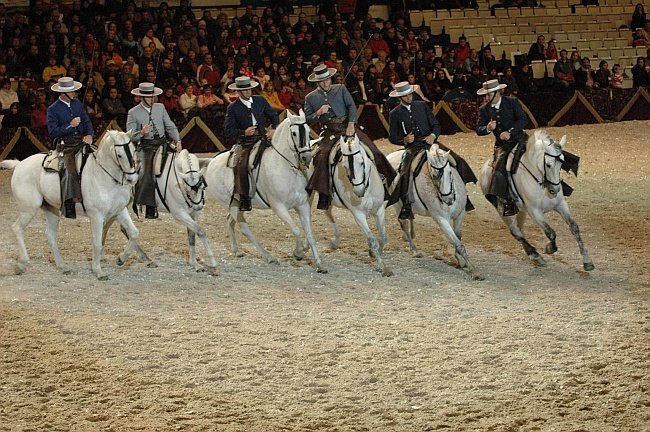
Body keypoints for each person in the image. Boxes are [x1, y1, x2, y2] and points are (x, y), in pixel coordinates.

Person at [303, 64, 397, 210]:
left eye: (327, 79)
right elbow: (308, 120)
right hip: (330, 131)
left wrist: (351, 124)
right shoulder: (310, 97)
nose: (325, 83)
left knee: (374, 151)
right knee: (322, 158)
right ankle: (324, 194)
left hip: (348, 126)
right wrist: (318, 113)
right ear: (317, 82)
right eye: (321, 81)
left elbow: (351, 106)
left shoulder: (340, 88)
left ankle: (385, 183)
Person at [388, 82, 477, 220]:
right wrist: (404, 140)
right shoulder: (395, 113)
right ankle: (406, 204)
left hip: (430, 142)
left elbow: (436, 125)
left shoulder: (422, 106)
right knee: (405, 173)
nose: (409, 97)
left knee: (456, 160)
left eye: (410, 94)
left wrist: (433, 136)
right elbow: (392, 137)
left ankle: (465, 196)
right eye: (405, 96)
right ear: (400, 97)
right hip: (413, 148)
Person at [126, 82, 182, 219]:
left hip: (163, 143)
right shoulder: (133, 113)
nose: (152, 99)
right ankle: (150, 206)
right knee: (146, 172)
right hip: (146, 147)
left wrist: (178, 140)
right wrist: (142, 132)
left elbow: (169, 125)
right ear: (141, 98)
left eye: (153, 97)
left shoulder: (160, 107)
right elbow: (130, 135)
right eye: (149, 97)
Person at [224, 76, 279, 212]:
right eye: (245, 90)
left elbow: (273, 115)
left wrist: (274, 129)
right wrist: (244, 132)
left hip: (263, 137)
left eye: (249, 88)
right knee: (241, 165)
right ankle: (244, 197)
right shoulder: (233, 107)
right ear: (239, 92)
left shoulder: (260, 100)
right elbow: (228, 130)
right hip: (246, 142)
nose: (248, 91)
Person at [475, 79, 528, 216]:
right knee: (500, 169)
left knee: (544, 155)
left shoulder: (512, 102)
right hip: (502, 146)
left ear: (497, 92)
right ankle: (507, 200)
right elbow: (478, 129)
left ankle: (556, 184)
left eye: (488, 95)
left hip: (520, 138)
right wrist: (487, 128)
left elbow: (522, 119)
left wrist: (510, 132)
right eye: (485, 95)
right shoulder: (484, 110)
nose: (486, 98)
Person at [47, 77, 94, 219]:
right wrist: (70, 126)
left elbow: (87, 121)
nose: (74, 93)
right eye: (72, 91)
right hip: (65, 144)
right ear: (63, 93)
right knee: (70, 170)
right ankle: (69, 203)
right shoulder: (53, 109)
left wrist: (89, 135)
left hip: (81, 140)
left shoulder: (77, 103)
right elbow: (53, 131)